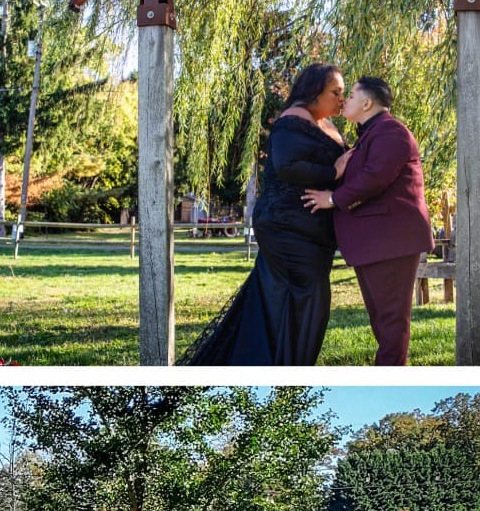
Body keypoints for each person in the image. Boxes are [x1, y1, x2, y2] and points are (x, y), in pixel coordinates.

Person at [181, 63, 346, 365]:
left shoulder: (321, 122)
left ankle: (266, 361)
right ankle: (287, 366)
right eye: (335, 92)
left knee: (278, 298)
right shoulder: (292, 121)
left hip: (308, 229)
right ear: (314, 92)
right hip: (288, 227)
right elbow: (287, 166)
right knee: (309, 300)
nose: (341, 99)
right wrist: (334, 170)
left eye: (344, 93)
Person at [302, 76, 433, 365]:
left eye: (350, 95)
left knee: (390, 323)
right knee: (382, 322)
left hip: (391, 242)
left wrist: (332, 199)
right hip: (376, 244)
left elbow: (375, 178)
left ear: (367, 102)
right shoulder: (370, 134)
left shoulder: (391, 132)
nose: (344, 100)